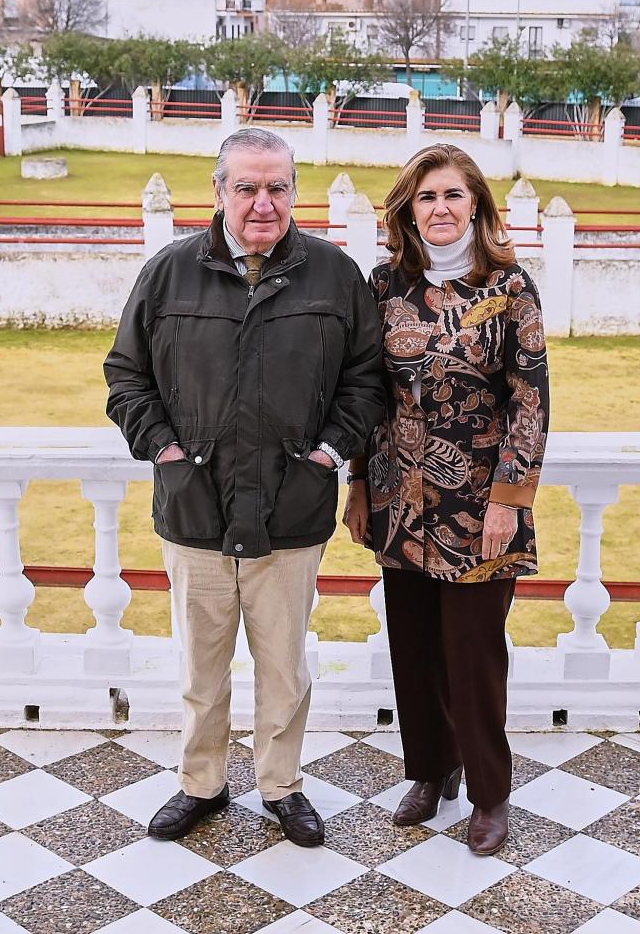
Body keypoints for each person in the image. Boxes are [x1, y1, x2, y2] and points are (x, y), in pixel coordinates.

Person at [105, 128, 384, 847]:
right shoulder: (168, 274)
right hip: (193, 508)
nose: (263, 203)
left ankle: (282, 787)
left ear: (295, 190)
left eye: (278, 187)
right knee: (202, 667)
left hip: (292, 509)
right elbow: (126, 376)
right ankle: (200, 783)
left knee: (284, 668)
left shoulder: (334, 275)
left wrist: (327, 453)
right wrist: (163, 447)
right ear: (220, 190)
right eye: (247, 187)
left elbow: (366, 380)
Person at [343, 143, 550, 856]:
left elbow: (530, 400)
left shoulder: (512, 288)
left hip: (478, 509)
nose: (440, 209)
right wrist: (360, 485)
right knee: (416, 650)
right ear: (408, 209)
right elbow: (368, 392)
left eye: (453, 196)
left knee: (473, 656)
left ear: (478, 206)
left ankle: (491, 793)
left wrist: (509, 501)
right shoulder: (384, 286)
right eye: (426, 197)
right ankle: (432, 771)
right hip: (401, 502)